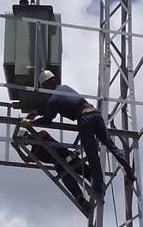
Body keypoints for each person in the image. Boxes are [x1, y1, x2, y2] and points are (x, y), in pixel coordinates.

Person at [20, 70, 133, 199]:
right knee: (110, 145)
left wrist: (30, 122)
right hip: (96, 115)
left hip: (85, 120)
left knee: (92, 154)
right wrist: (37, 111)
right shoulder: (64, 88)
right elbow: (53, 106)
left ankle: (99, 188)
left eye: (43, 86)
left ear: (46, 84)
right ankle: (128, 170)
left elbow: (47, 119)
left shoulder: (53, 99)